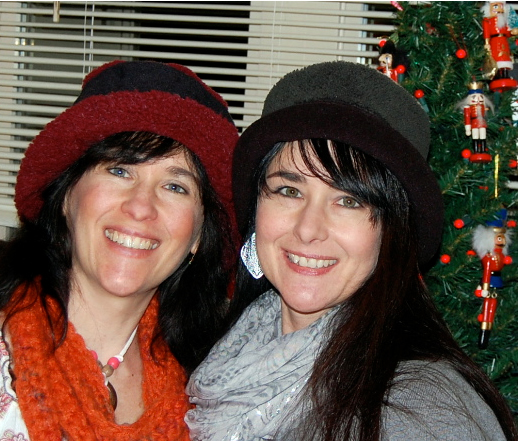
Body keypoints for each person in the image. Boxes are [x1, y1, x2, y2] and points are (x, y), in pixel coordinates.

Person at [185, 61, 518, 440]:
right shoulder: (225, 354)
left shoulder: (419, 410)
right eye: (288, 191)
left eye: (349, 201)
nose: (308, 230)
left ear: (393, 233)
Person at [0, 60, 238, 440]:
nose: (141, 206)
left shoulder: (215, 396)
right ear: (66, 198)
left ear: (197, 237)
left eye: (175, 187)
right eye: (120, 170)